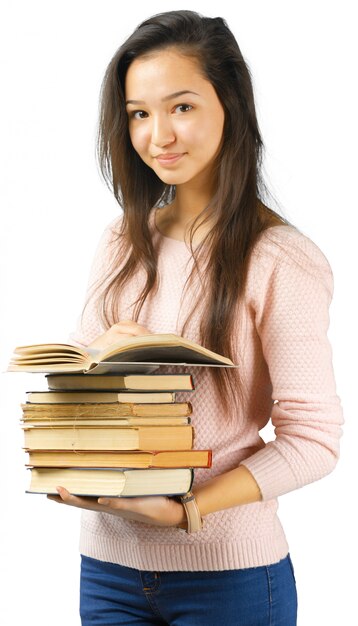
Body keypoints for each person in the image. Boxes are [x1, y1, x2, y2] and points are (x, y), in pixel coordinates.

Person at [48, 10, 343, 625]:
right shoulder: (120, 241)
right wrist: (96, 356)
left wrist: (189, 507)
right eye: (139, 113)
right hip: (107, 569)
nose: (159, 135)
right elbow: (73, 386)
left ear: (229, 104)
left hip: (229, 576)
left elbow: (314, 441)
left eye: (181, 106)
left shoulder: (281, 260)